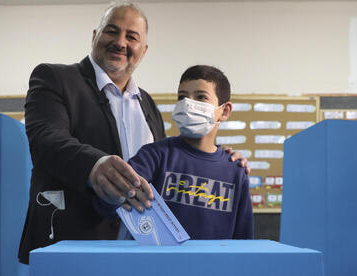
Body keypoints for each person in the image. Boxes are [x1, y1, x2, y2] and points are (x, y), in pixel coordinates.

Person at [18, 2, 249, 264]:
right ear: (95, 36)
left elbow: (167, 171)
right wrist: (94, 165)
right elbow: (46, 139)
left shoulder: (147, 104)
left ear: (143, 50)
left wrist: (221, 158)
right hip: (75, 248)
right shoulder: (55, 78)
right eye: (111, 31)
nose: (120, 42)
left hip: (140, 254)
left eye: (131, 36)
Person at [125, 65, 253, 239]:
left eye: (201, 97)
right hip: (160, 263)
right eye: (182, 97)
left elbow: (244, 237)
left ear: (224, 111)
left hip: (216, 264)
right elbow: (112, 199)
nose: (188, 103)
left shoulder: (235, 169)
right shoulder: (154, 156)